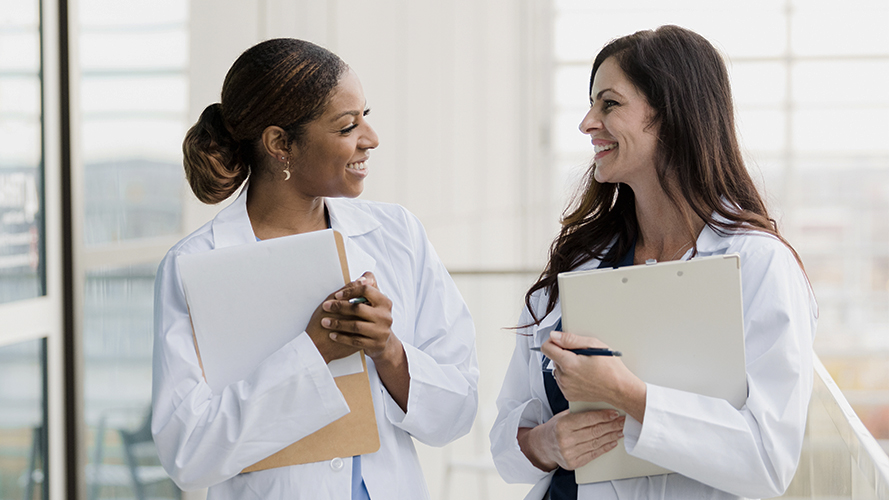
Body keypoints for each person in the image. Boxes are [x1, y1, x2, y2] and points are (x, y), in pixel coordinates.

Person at [490, 25, 817, 500]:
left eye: (609, 104)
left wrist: (629, 395)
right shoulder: (581, 264)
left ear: (670, 116)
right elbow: (507, 438)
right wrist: (545, 444)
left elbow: (769, 462)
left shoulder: (760, 265)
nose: (587, 123)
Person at [151, 38, 478, 500]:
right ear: (280, 143)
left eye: (366, 115)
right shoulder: (194, 266)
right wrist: (312, 352)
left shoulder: (398, 234)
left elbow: (459, 410)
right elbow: (187, 453)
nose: (371, 137)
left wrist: (388, 352)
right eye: (347, 126)